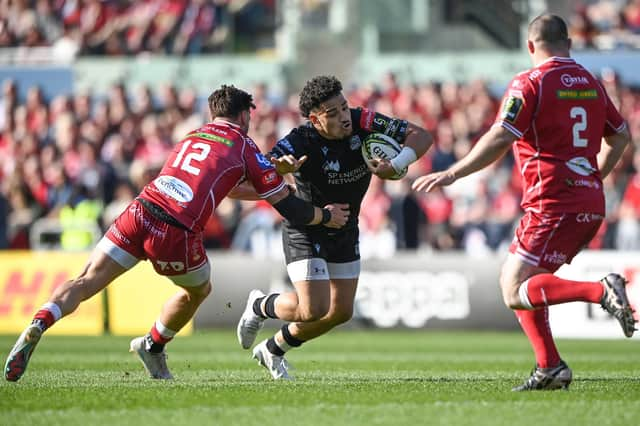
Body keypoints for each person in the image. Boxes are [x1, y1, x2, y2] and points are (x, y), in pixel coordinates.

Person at [4, 85, 349, 382]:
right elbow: (286, 205)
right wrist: (324, 215)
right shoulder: (244, 146)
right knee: (198, 291)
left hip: (139, 210)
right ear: (244, 116)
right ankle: (153, 345)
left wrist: (271, 170)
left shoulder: (192, 135)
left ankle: (41, 319)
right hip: (176, 229)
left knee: (86, 280)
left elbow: (225, 183)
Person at [412, 14, 636, 391]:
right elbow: (621, 137)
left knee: (514, 288)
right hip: (588, 200)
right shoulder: (591, 84)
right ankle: (550, 367)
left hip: (552, 200)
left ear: (530, 46)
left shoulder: (529, 82)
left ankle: (601, 291)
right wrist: (594, 174)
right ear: (569, 42)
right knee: (526, 282)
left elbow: (502, 135)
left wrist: (452, 174)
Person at [236, 75, 433, 380]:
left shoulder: (363, 120)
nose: (344, 117)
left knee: (341, 312)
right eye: (334, 113)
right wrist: (279, 168)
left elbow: (421, 136)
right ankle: (261, 304)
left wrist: (396, 164)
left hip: (346, 227)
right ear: (315, 119)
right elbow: (262, 168)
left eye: (344, 107)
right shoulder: (300, 139)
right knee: (312, 309)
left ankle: (273, 349)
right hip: (307, 226)